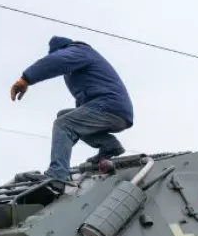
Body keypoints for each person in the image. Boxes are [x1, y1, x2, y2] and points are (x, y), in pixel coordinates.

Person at [10, 36, 134, 181]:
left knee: (63, 124)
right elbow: (83, 101)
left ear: (60, 50)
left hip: (109, 106)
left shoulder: (78, 51)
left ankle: (57, 175)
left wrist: (25, 79)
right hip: (112, 109)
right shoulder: (77, 67)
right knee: (63, 116)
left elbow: (56, 61)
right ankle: (109, 146)